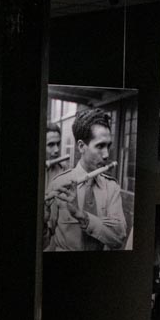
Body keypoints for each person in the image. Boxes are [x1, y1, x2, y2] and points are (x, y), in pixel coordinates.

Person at [43, 107, 126, 251]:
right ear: (81, 146)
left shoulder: (112, 187)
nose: (106, 155)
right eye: (100, 146)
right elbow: (47, 241)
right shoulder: (59, 183)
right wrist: (43, 220)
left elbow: (118, 239)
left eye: (108, 146)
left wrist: (82, 216)